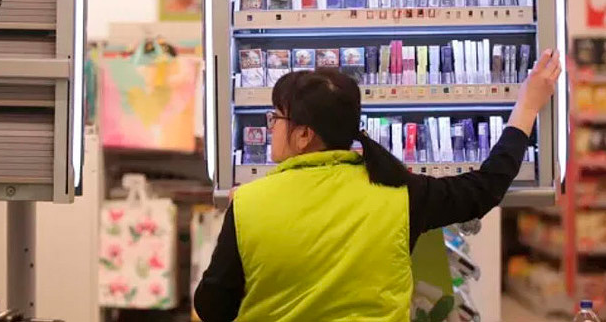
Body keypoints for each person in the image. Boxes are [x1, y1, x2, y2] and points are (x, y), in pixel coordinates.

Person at [194, 49, 562, 322]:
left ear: (304, 135)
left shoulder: (250, 204)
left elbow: (212, 307)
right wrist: (528, 108)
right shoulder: (400, 193)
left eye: (276, 117)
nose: (271, 126)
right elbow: (485, 187)